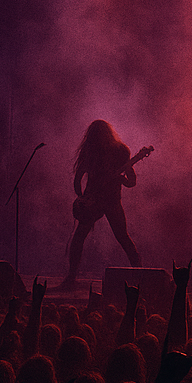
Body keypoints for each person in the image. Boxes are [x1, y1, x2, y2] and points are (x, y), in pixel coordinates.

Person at [63, 120, 142, 288]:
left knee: (80, 237)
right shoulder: (119, 150)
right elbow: (132, 182)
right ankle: (140, 274)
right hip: (107, 201)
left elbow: (77, 180)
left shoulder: (94, 150)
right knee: (122, 237)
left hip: (99, 201)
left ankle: (71, 278)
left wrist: (82, 197)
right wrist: (120, 180)